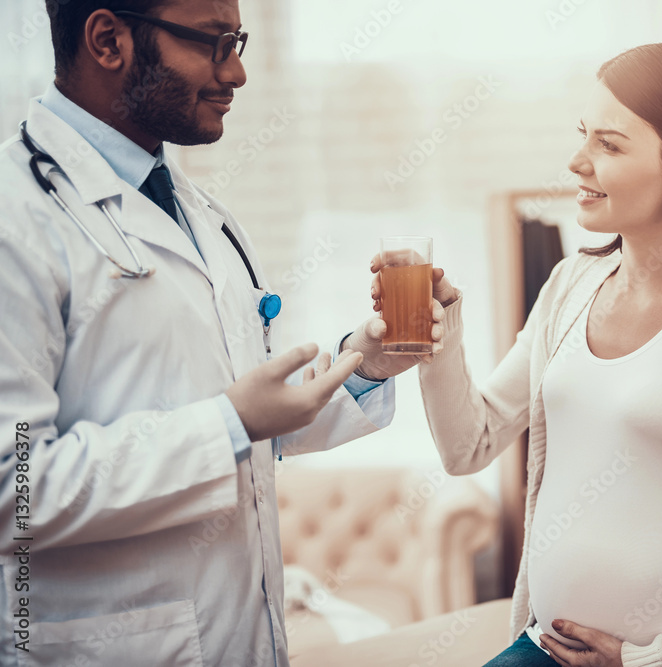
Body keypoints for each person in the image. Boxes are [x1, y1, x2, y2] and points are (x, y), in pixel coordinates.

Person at [0, 1, 438, 665]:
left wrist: (364, 364)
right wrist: (227, 423)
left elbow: (252, 415)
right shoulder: (16, 217)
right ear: (107, 39)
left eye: (239, 42)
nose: (235, 72)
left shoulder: (199, 211)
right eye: (212, 42)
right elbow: (16, 488)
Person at [372, 41, 662, 666]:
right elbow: (467, 444)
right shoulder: (569, 286)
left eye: (609, 145)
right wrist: (439, 331)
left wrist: (650, 658)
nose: (577, 162)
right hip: (545, 649)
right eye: (584, 136)